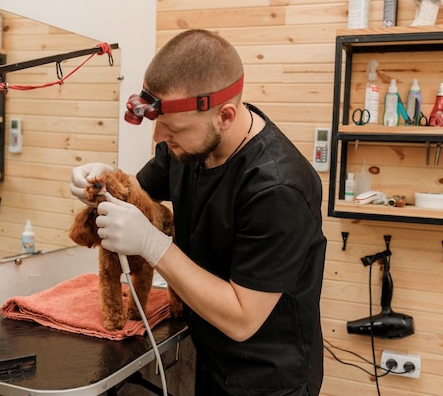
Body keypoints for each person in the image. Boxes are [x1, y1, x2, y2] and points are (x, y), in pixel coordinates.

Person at [70, 29, 326, 396]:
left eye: (172, 128)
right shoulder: (187, 147)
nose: (159, 137)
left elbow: (242, 319)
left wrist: (151, 244)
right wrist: (101, 181)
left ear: (224, 115)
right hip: (211, 358)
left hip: (269, 378)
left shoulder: (278, 188)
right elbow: (139, 193)